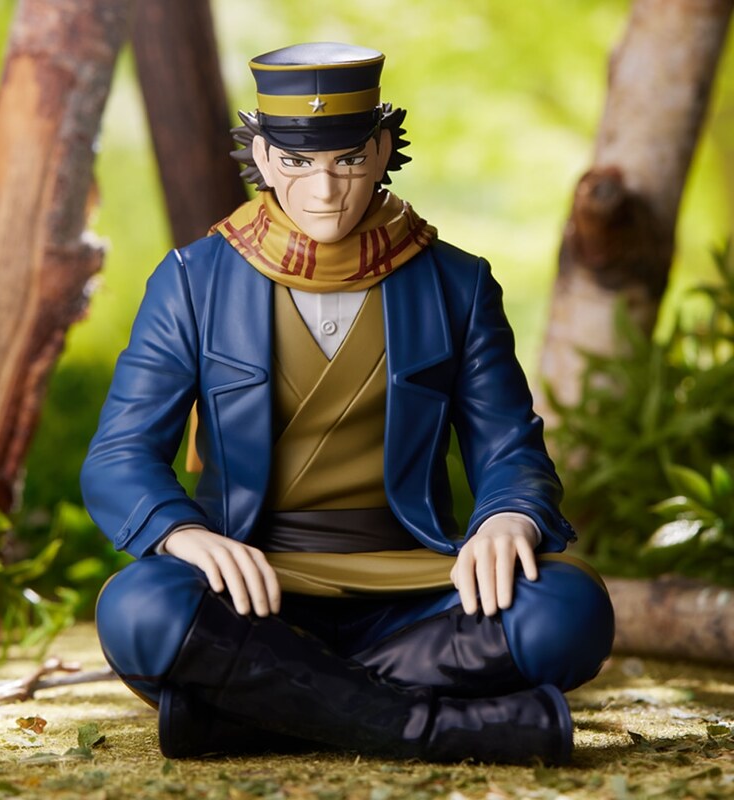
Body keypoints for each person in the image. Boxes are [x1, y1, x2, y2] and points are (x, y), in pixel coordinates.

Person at [82, 42, 614, 765]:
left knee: (570, 610)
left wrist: (506, 516)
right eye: (297, 162)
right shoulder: (193, 281)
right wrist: (185, 535)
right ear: (264, 158)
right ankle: (433, 728)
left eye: (348, 160)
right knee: (140, 609)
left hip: (413, 580)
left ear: (383, 149)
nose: (324, 188)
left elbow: (509, 449)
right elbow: (120, 456)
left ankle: (247, 712)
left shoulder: (455, 283)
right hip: (248, 583)